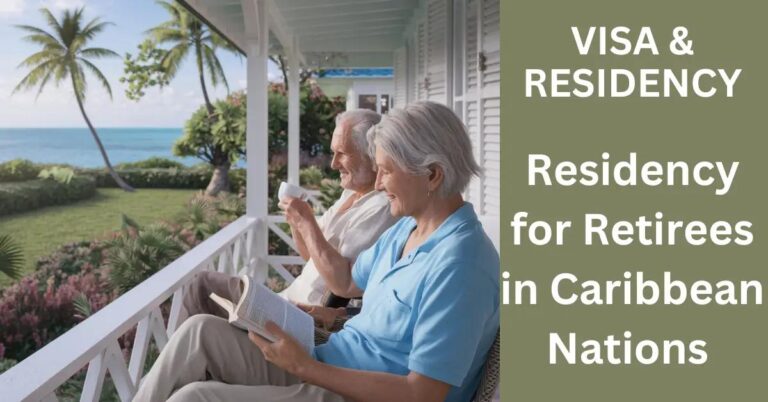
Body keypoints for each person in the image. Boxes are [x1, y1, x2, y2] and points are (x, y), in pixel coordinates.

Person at [133, 101, 499, 402]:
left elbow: (423, 394)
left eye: (385, 171)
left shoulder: (461, 266)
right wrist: (326, 316)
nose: (376, 183)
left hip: (353, 392)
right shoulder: (407, 228)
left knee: (194, 398)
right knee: (199, 332)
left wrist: (305, 368)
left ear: (432, 175)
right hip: (329, 359)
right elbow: (346, 280)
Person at [180, 109, 398, 323]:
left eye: (342, 153)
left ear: (371, 156)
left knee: (202, 285)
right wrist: (297, 223)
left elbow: (343, 283)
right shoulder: (350, 194)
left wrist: (307, 222)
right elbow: (311, 256)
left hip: (301, 318)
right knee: (201, 311)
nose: (333, 163)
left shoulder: (380, 207)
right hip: (286, 300)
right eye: (333, 153)